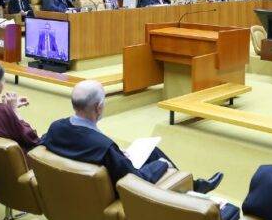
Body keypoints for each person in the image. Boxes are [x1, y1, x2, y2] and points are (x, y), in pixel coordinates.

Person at [41, 80, 223, 192]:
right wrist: (161, 165)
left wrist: (119, 155)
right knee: (159, 160)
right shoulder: (103, 146)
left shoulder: (55, 128)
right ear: (98, 107)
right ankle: (191, 188)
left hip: (81, 181)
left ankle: (194, 185)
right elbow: (134, 179)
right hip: (114, 189)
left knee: (152, 151)